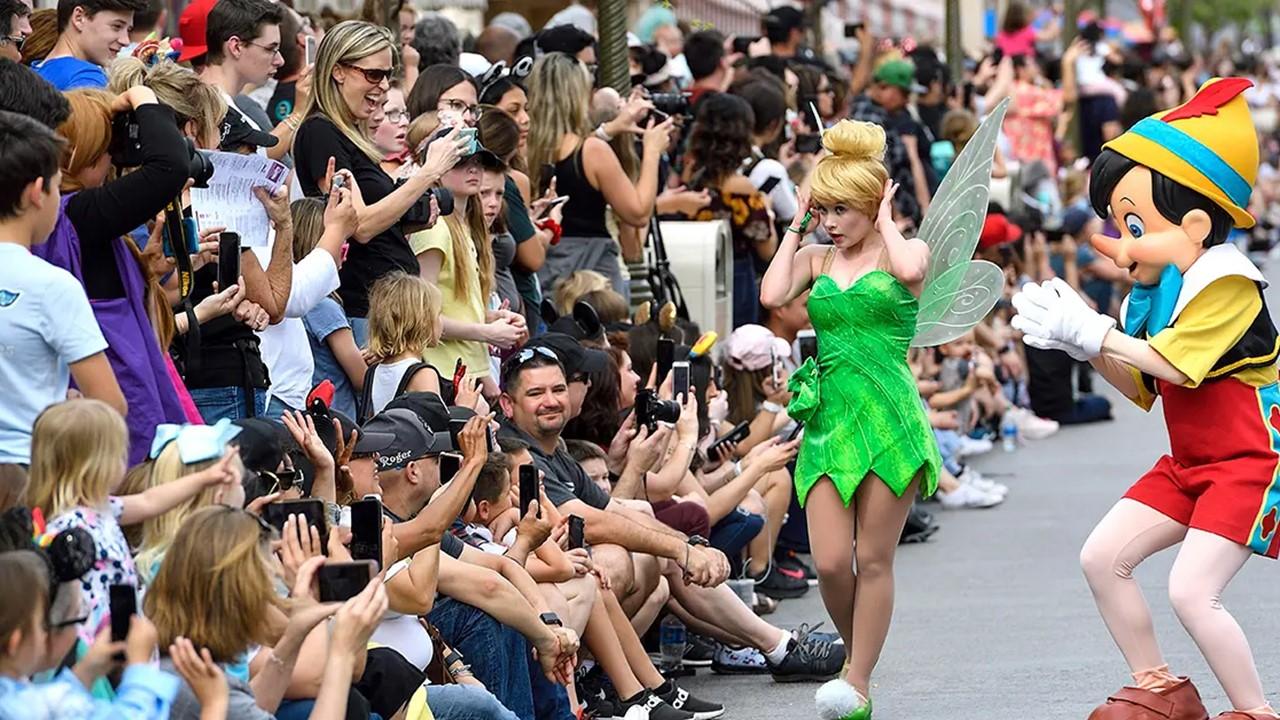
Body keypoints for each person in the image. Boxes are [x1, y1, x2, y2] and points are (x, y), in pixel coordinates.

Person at [1012, 77, 1280, 720]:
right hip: (1191, 466)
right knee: (1102, 558)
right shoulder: (1155, 287)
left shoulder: (1226, 283)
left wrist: (1095, 330)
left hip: (1250, 465)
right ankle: (1162, 690)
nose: (1119, 242)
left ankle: (1254, 712)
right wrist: (1084, 347)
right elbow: (1141, 386)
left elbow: (1175, 367)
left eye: (1134, 224)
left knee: (1193, 592)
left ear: (1193, 223)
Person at [759, 120, 948, 719]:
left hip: (889, 416)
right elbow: (771, 296)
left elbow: (916, 270)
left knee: (873, 559)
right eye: (825, 209)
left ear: (870, 205)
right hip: (830, 420)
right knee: (833, 561)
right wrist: (796, 223)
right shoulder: (815, 257)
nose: (831, 221)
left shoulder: (899, 255)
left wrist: (888, 215)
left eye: (844, 209)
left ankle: (858, 680)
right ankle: (854, 658)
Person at [36, 86, 194, 461]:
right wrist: (142, 97)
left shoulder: (65, 217)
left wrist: (143, 272)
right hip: (114, 400)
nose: (113, 158)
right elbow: (170, 167)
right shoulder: (78, 214)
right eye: (108, 148)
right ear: (85, 154)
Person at [294, 20, 463, 345]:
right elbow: (361, 225)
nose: (383, 86)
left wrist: (409, 219)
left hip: (388, 307)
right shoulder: (320, 132)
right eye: (373, 74)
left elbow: (372, 225)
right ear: (338, 71)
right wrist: (427, 172)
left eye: (388, 75)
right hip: (366, 310)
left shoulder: (350, 135)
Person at [25, 399, 238, 644]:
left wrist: (203, 479)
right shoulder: (70, 530)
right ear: (96, 466)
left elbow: (150, 501)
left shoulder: (104, 509)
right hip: (97, 644)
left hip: (121, 633)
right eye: (119, 455)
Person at [146, 505, 389, 720]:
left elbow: (255, 706)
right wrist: (341, 655)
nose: (273, 596)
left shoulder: (180, 663)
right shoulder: (200, 689)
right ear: (239, 592)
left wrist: (296, 631)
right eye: (269, 582)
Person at [0, 110, 122, 466]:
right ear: (38, 192)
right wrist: (72, 405)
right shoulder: (51, 286)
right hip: (31, 479)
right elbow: (110, 404)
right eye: (57, 184)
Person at [526, 51, 676, 299]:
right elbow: (637, 212)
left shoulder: (525, 150)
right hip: (592, 278)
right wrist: (651, 150)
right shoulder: (592, 151)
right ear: (578, 96)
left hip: (543, 271)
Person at [0, 528, 184, 719]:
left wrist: (86, 671)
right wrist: (140, 668)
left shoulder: (13, 698)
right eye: (42, 625)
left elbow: (52, 704)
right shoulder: (22, 710)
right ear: (15, 642)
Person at [409, 121, 527, 394]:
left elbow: (453, 306)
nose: (473, 168)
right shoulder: (435, 228)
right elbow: (425, 320)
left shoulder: (464, 226)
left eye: (478, 161)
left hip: (465, 371)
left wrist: (490, 317)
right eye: (460, 161)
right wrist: (488, 332)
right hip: (443, 374)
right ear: (437, 169)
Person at [680, 92, 776, 326]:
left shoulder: (689, 175)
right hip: (734, 278)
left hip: (688, 272)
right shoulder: (741, 189)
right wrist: (767, 209)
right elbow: (767, 249)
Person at [200, 0, 303, 161]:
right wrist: (298, 113)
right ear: (236, 47)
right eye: (270, 49)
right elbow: (258, 160)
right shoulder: (208, 108)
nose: (280, 60)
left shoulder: (219, 102)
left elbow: (261, 155)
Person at [362, 271, 445, 416]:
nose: (441, 321)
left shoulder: (373, 371)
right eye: (438, 314)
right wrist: (465, 406)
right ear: (423, 321)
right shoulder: (423, 374)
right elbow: (436, 427)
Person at [31, 0, 146, 90]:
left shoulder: (31, 73)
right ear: (79, 18)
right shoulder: (87, 78)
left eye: (128, 30)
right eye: (116, 26)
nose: (125, 41)